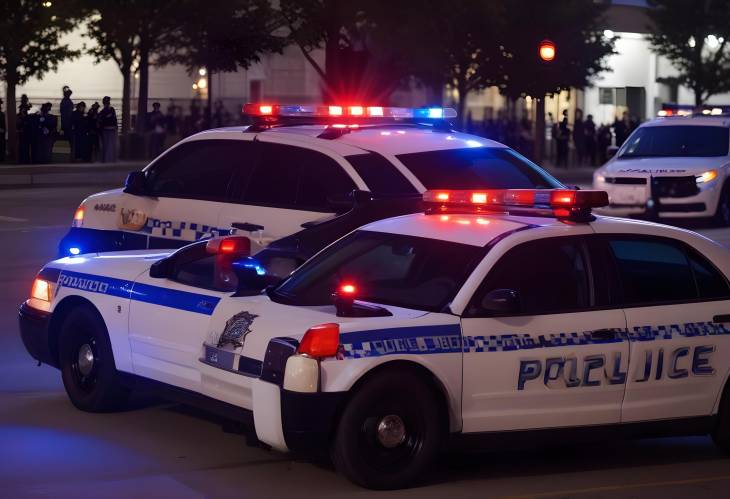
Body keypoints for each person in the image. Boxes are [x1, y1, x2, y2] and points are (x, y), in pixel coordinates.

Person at [98, 96, 118, 163]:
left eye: (108, 102)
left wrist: (115, 126)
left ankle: (110, 159)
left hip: (111, 129)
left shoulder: (111, 110)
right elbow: (102, 121)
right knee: (107, 145)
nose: (107, 104)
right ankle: (107, 159)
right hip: (106, 130)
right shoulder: (102, 112)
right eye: (106, 102)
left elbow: (114, 119)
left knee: (111, 145)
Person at [17, 95, 32, 164]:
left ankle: (23, 159)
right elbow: (23, 115)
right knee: (24, 145)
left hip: (22, 129)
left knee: (23, 145)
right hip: (24, 129)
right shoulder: (23, 107)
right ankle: (24, 159)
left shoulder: (22, 107)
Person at [60, 85, 74, 157]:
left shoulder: (66, 101)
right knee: (70, 140)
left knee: (70, 141)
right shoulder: (65, 101)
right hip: (67, 123)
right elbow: (65, 114)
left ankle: (70, 155)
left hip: (67, 122)